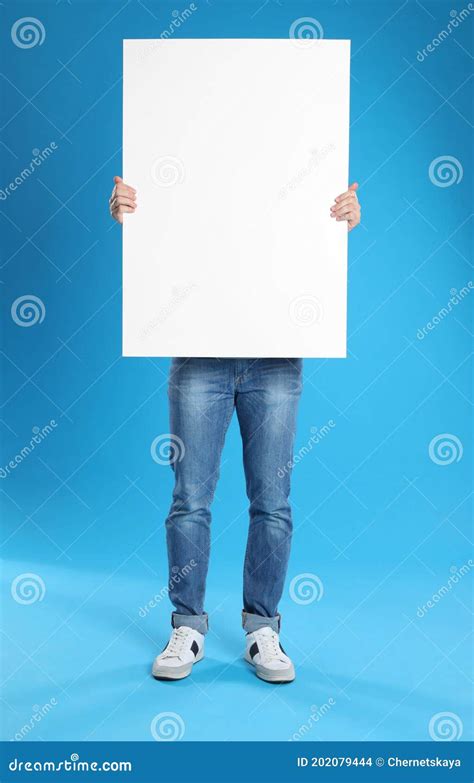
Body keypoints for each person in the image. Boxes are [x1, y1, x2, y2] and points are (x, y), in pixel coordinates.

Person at [110, 176, 361, 683]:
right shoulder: (189, 144)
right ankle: (188, 626)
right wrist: (135, 215)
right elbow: (172, 226)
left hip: (276, 356)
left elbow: (298, 235)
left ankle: (261, 628)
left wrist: (340, 219)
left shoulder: (299, 144)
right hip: (199, 353)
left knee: (272, 500)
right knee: (190, 499)